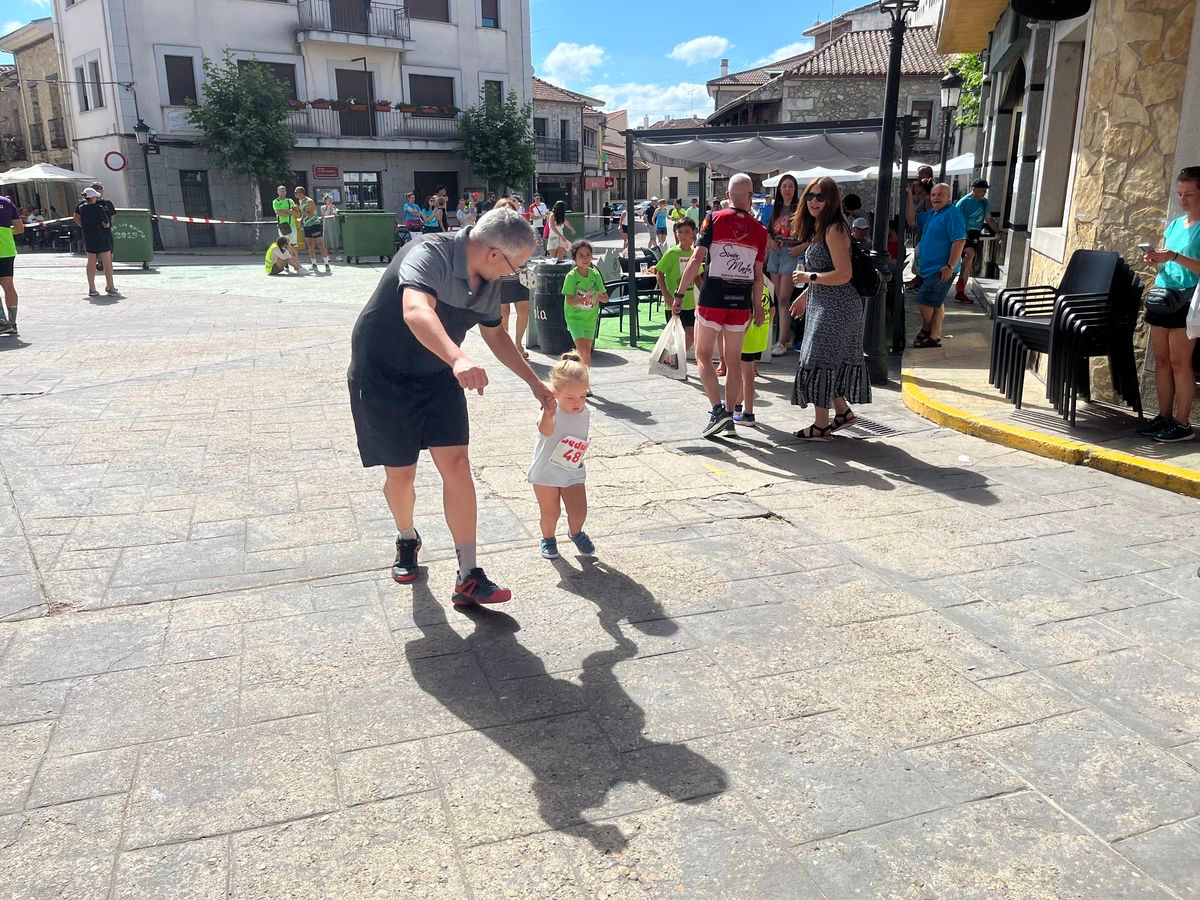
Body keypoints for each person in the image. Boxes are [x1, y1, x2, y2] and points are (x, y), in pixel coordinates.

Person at [347, 207, 552, 605]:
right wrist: (458, 357)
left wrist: (534, 383)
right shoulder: (429, 254)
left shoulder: (488, 281)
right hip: (384, 376)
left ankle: (468, 575)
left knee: (457, 464)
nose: (514, 275)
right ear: (494, 253)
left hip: (439, 373)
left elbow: (496, 336)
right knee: (401, 475)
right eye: (516, 267)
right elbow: (415, 310)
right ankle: (407, 538)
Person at [671, 173, 768, 438]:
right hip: (741, 302)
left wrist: (679, 294)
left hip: (713, 297)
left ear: (727, 196)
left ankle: (718, 411)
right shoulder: (760, 230)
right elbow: (758, 275)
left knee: (703, 355)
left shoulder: (713, 218)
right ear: (751, 196)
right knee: (734, 361)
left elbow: (696, 259)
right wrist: (758, 307)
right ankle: (730, 417)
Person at [789, 176, 872, 441]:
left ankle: (821, 425)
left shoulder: (834, 228)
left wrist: (808, 278)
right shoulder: (820, 227)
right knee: (827, 359)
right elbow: (826, 270)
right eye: (810, 196)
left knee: (818, 360)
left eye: (820, 197)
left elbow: (843, 274)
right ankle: (842, 413)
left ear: (831, 200)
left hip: (838, 307)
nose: (813, 201)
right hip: (824, 303)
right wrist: (806, 295)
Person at [1139, 166, 1200, 443]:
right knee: (1161, 361)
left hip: (1187, 299)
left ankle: (1183, 423)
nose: (1182, 199)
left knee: (1179, 363)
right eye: (1179, 194)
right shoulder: (1175, 225)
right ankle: (1163, 416)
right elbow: (1167, 262)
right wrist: (1155, 260)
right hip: (1163, 296)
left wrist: (1174, 256)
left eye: (1189, 194)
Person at [528, 350, 594, 560]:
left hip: (571, 468)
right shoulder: (551, 410)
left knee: (579, 510)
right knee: (550, 512)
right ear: (555, 393)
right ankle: (548, 538)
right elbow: (545, 431)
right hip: (546, 470)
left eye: (583, 396)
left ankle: (576, 532)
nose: (578, 402)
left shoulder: (584, 412)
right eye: (571, 398)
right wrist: (548, 415)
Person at [906, 182, 967, 348]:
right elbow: (912, 220)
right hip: (929, 268)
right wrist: (909, 197)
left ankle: (926, 329)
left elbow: (959, 241)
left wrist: (949, 266)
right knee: (936, 302)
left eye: (940, 194)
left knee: (923, 299)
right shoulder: (932, 213)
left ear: (949, 196)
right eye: (933, 195)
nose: (936, 198)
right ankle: (935, 337)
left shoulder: (952, 214)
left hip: (941, 268)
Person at [764, 174, 803, 358]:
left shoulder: (801, 208)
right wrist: (769, 240)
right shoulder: (774, 208)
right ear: (779, 189)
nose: (787, 189)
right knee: (779, 298)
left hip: (790, 253)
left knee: (785, 298)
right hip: (775, 253)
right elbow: (767, 231)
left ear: (795, 189)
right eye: (784, 186)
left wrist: (802, 247)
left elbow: (812, 235)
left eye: (790, 186)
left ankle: (782, 341)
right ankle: (780, 339)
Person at [655, 216, 702, 352]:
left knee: (690, 335)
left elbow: (697, 277)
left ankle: (676, 357)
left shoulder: (695, 254)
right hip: (674, 302)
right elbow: (659, 273)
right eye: (679, 232)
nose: (683, 235)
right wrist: (666, 295)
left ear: (694, 233)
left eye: (686, 231)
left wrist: (706, 294)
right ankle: (673, 358)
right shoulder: (672, 253)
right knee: (675, 336)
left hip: (690, 303)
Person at [493, 198, 531, 358]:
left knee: (524, 311)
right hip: (501, 277)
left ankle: (518, 344)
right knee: (504, 312)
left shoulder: (521, 230)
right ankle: (506, 346)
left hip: (520, 276)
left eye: (510, 210)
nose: (507, 213)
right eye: (504, 210)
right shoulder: (493, 231)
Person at [561, 239, 607, 372]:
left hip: (590, 318)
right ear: (574, 258)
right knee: (583, 350)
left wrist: (598, 295)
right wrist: (583, 299)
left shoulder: (595, 275)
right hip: (574, 318)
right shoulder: (571, 277)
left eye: (588, 255)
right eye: (581, 255)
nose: (585, 258)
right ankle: (582, 378)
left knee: (587, 351)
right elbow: (569, 301)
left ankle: (582, 376)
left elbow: (605, 298)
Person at [953, 179, 1000, 304]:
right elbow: (955, 219)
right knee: (970, 254)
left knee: (969, 261)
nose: (984, 193)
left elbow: (989, 219)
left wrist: (999, 231)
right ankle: (960, 280)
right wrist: (960, 235)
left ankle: (960, 292)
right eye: (982, 190)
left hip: (975, 232)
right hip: (963, 232)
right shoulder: (964, 202)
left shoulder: (984, 202)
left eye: (985, 190)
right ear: (974, 189)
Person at [735, 283, 774, 424]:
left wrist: (737, 338)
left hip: (746, 341)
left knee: (747, 377)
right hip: (759, 338)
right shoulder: (763, 287)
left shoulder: (746, 288)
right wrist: (764, 329)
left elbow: (750, 315)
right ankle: (736, 405)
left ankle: (748, 414)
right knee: (746, 375)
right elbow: (773, 310)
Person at [74, 188, 119, 297]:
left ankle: (92, 288)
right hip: (102, 237)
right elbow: (106, 223)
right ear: (93, 198)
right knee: (107, 263)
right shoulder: (99, 208)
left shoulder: (81, 208)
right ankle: (111, 287)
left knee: (91, 262)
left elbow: (77, 218)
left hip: (89, 237)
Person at [905, 166, 935, 289]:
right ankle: (919, 279)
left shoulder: (930, 198)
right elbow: (914, 220)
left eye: (919, 174)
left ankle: (920, 280)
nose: (917, 176)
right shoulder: (930, 211)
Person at [0, 193, 24, 336]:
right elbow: (20, 228)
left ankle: (2, 322)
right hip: (7, 249)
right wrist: (7, 233)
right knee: (9, 286)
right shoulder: (6, 202)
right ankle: (13, 323)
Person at [295, 188, 331, 274]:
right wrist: (300, 223)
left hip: (315, 225)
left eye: (296, 192)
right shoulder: (300, 201)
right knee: (310, 245)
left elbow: (310, 214)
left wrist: (299, 211)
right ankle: (314, 264)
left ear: (301, 193)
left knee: (320, 244)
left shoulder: (309, 201)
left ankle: (326, 264)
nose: (295, 194)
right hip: (307, 226)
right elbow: (304, 214)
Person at [271, 185, 299, 253]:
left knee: (294, 244)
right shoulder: (276, 201)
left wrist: (285, 211)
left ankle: (295, 258)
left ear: (286, 192)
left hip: (292, 225)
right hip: (283, 226)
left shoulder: (290, 200)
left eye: (284, 191)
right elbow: (279, 213)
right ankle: (285, 259)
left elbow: (296, 212)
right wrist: (290, 212)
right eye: (281, 191)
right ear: (278, 192)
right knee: (284, 244)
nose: (282, 192)